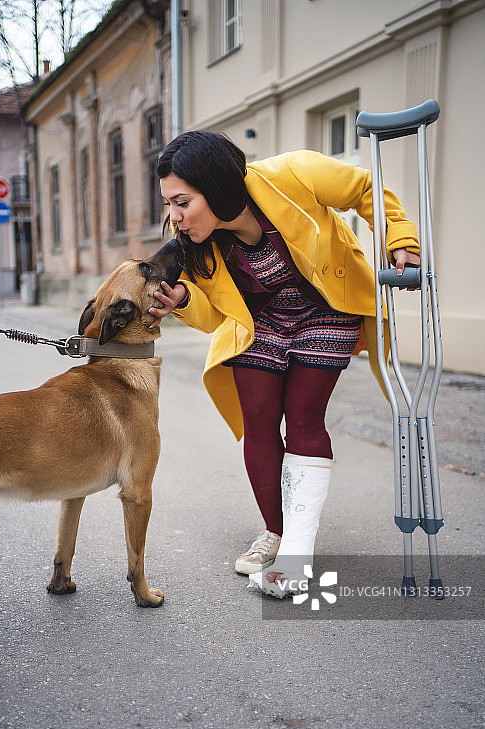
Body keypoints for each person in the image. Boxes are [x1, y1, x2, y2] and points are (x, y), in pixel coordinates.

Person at [149, 130, 420, 598]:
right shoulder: (198, 243)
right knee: (257, 421)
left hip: (328, 308)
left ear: (214, 185)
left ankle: (297, 551)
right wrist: (182, 300)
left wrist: (399, 236)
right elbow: (216, 315)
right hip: (261, 323)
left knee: (303, 419)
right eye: (169, 204)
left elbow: (364, 188)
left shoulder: (292, 174)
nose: (173, 217)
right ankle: (276, 531)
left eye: (181, 201)